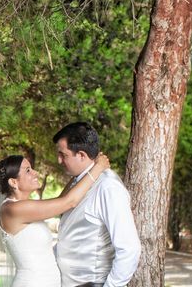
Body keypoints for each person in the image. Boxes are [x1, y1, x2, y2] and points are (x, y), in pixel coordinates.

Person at [0, 151, 110, 287]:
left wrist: (80, 173)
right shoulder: (12, 209)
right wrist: (98, 168)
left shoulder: (23, 207)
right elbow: (69, 202)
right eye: (28, 170)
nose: (35, 173)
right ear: (13, 182)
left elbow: (61, 199)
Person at [53, 122, 141, 287]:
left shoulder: (108, 187)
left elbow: (129, 248)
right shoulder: (78, 182)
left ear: (81, 155)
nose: (58, 160)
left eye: (63, 155)